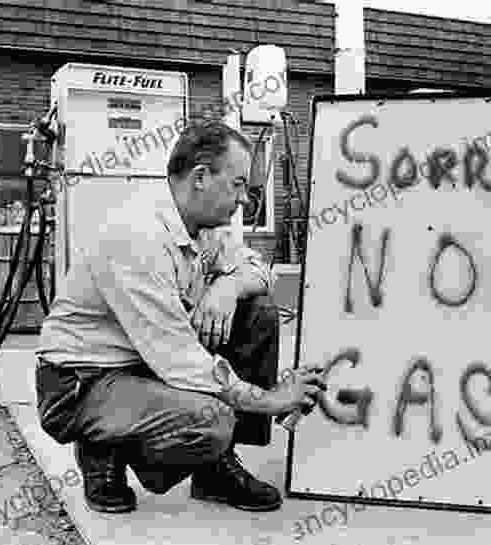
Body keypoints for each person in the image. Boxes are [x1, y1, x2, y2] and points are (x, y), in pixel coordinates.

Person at [34, 120, 325, 514]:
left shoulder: (205, 226)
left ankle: (215, 470)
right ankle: (102, 445)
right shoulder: (136, 236)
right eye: (238, 184)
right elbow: (181, 361)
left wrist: (227, 288)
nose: (245, 200)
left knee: (257, 313)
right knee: (212, 421)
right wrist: (271, 399)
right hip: (83, 381)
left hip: (142, 363)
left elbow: (261, 271)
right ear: (201, 177)